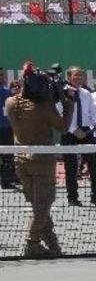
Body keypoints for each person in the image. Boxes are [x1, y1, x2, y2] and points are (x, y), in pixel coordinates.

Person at [4, 64, 73, 257]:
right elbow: (63, 127)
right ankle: (32, 243)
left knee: (38, 206)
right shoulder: (44, 107)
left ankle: (53, 244)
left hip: (20, 161)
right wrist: (68, 104)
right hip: (42, 161)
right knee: (43, 205)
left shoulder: (10, 102)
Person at [60, 66, 96, 206]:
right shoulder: (62, 93)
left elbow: (92, 113)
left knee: (95, 165)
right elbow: (59, 114)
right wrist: (74, 130)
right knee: (71, 167)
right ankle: (73, 198)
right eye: (76, 75)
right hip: (69, 132)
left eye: (81, 75)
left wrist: (95, 124)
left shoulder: (86, 93)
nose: (79, 78)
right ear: (69, 77)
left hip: (87, 132)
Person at [0, 68, 17, 189]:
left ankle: (7, 179)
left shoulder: (7, 92)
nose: (1, 77)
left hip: (6, 128)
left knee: (7, 155)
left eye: (2, 75)